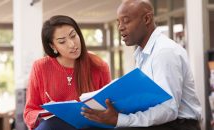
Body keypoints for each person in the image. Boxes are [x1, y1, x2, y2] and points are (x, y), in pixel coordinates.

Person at [81, 0, 202, 130]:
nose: (120, 27)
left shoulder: (164, 52)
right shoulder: (142, 54)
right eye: (118, 22)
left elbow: (169, 109)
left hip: (178, 125)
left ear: (146, 19)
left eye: (126, 21)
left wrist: (121, 120)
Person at [23, 15, 111, 130]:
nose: (72, 44)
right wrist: (46, 112)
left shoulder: (99, 66)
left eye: (73, 36)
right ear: (52, 46)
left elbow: (109, 109)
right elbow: (29, 112)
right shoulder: (40, 67)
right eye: (62, 41)